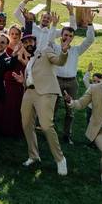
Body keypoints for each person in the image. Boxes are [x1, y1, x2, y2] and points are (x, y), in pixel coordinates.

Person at [15, 33, 70, 176]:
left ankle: (60, 159)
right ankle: (33, 156)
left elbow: (59, 61)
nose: (28, 44)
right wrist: (23, 80)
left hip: (46, 93)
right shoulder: (30, 60)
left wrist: (64, 51)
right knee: (26, 124)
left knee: (46, 126)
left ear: (35, 41)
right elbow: (34, 78)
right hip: (29, 93)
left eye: (30, 41)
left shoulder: (45, 51)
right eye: (25, 43)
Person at [52, 4, 95, 144]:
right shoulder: (55, 47)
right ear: (61, 36)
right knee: (53, 108)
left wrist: (90, 24)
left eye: (71, 36)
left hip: (72, 83)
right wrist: (59, 21)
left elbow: (90, 40)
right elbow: (49, 37)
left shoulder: (76, 50)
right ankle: (49, 132)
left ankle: (67, 135)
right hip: (56, 81)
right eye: (65, 35)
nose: (68, 37)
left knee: (70, 111)